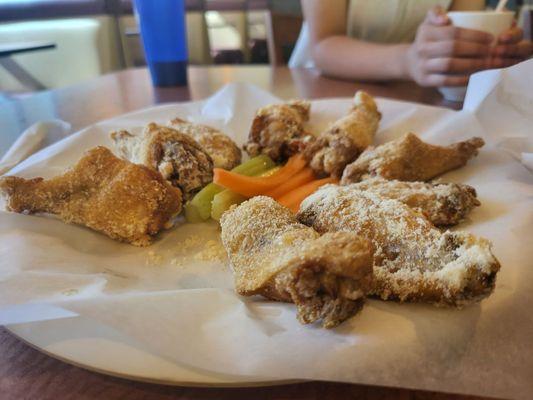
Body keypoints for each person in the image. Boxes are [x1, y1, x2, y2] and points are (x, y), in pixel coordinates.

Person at [289, 0, 532, 87]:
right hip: (323, 87)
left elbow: (457, 33)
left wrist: (491, 54)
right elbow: (323, 45)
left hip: (418, 96)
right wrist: (408, 60)